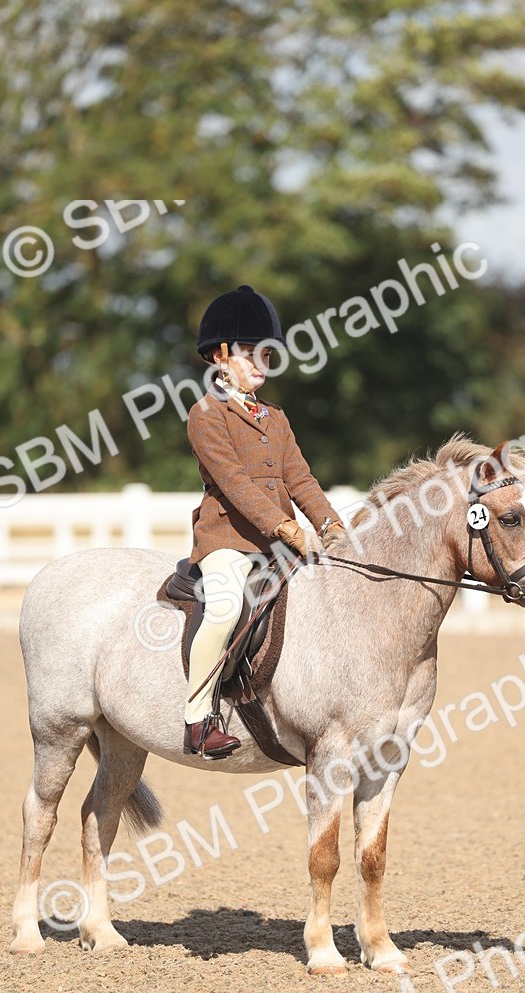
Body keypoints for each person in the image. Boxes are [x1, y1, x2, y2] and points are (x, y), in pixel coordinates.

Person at [183, 284, 345, 759]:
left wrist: (331, 524)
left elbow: (301, 477)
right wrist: (286, 527)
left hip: (280, 545)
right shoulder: (205, 415)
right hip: (228, 541)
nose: (261, 364)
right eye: (250, 353)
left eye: (267, 355)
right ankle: (198, 719)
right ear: (220, 354)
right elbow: (235, 484)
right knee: (225, 607)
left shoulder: (276, 418)